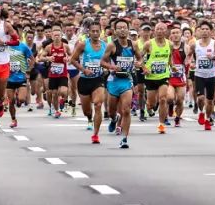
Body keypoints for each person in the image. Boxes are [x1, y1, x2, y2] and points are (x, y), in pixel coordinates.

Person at [104, 18, 137, 148]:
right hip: (113, 81)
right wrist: (112, 67)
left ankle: (124, 139)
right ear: (115, 31)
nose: (122, 30)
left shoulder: (133, 45)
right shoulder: (112, 45)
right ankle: (114, 119)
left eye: (124, 27)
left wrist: (141, 65)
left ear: (128, 30)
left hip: (126, 81)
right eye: (119, 28)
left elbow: (139, 58)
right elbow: (102, 62)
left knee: (126, 110)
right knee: (112, 111)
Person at [72, 20, 108, 141]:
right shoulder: (83, 45)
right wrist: (83, 69)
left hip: (98, 79)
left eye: (97, 31)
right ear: (89, 32)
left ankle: (96, 134)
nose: (95, 33)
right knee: (87, 111)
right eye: (93, 31)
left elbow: (109, 61)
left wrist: (108, 68)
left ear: (100, 32)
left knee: (98, 104)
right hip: (84, 80)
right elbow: (73, 60)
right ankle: (89, 118)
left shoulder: (105, 45)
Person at [188, 21, 215, 131]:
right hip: (199, 75)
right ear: (199, 31)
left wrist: (213, 57)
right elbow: (188, 57)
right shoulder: (195, 44)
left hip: (211, 76)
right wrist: (191, 63)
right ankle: (201, 112)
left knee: (209, 101)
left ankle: (208, 119)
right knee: (200, 98)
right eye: (202, 29)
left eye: (207, 29)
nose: (204, 31)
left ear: (210, 31)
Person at [142, 22, 172, 133]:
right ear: (154, 31)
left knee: (163, 99)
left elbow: (170, 58)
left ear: (166, 31)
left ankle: (161, 124)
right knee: (152, 104)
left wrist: (172, 67)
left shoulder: (170, 44)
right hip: (150, 77)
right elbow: (139, 58)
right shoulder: (148, 44)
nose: (160, 31)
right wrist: (144, 68)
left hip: (164, 76)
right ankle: (147, 106)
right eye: (158, 29)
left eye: (162, 29)